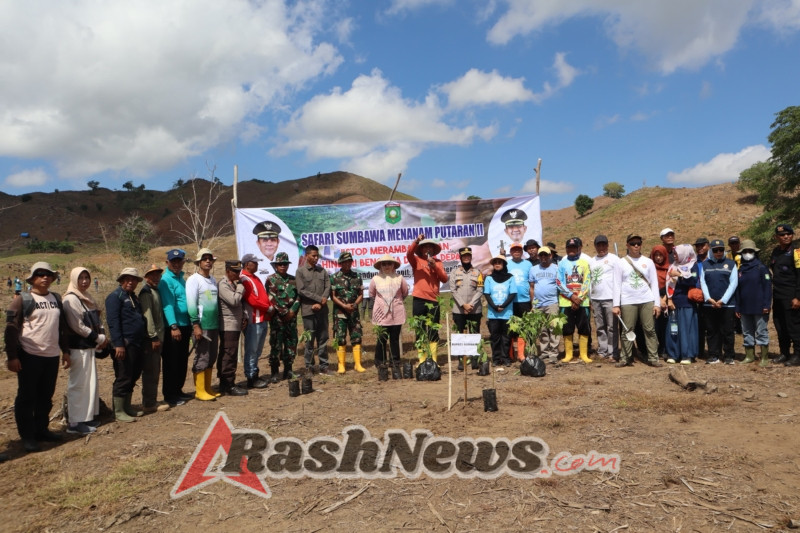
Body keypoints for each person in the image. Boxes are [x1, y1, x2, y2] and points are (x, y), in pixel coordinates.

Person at [4, 262, 70, 452]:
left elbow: (62, 327)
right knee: (26, 397)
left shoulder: (56, 299)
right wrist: (12, 356)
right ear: (32, 278)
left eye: (49, 274)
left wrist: (65, 351)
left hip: (51, 356)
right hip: (29, 355)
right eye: (40, 274)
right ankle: (27, 436)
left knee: (46, 396)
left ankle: (41, 430)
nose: (45, 277)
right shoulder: (22, 299)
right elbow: (11, 330)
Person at [63, 267, 107, 434]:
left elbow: (97, 318)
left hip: (88, 346)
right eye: (80, 278)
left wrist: (101, 335)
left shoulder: (87, 297)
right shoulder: (70, 299)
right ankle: (75, 422)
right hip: (78, 348)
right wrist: (98, 338)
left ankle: (86, 417)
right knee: (79, 384)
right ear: (74, 279)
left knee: (89, 383)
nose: (84, 281)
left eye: (87, 277)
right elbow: (77, 326)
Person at [613, 234, 662, 367]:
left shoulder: (648, 262)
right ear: (627, 245)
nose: (636, 246)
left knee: (649, 329)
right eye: (633, 243)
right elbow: (616, 284)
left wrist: (657, 304)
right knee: (627, 330)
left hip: (647, 299)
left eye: (638, 243)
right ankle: (625, 358)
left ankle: (653, 357)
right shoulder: (621, 262)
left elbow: (654, 284)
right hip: (628, 300)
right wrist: (616, 305)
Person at [105, 268, 147, 423]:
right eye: (128, 279)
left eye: (134, 279)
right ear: (121, 280)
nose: (131, 282)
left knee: (133, 374)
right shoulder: (115, 297)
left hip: (137, 343)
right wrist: (118, 344)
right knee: (123, 376)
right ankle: (118, 411)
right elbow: (113, 323)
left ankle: (127, 406)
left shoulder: (133, 298)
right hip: (124, 344)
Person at [158, 249, 192, 407]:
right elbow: (168, 305)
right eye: (173, 262)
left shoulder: (181, 279)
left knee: (182, 360)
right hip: (174, 326)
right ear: (167, 263)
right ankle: (170, 394)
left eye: (179, 261)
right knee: (171, 361)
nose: (177, 264)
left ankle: (178, 390)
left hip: (185, 324)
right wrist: (173, 325)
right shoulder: (166, 280)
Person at [407, 235, 449, 363]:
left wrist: (434, 266)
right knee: (420, 329)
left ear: (433, 249)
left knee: (433, 330)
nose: (428, 249)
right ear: (421, 249)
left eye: (430, 247)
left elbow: (445, 279)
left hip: (434, 300)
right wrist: (416, 241)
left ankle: (434, 360)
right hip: (419, 299)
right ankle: (422, 360)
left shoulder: (438, 262)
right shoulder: (416, 260)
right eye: (425, 247)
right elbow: (409, 254)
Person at [186, 248, 220, 401]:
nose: (208, 261)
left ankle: (207, 387)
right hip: (201, 325)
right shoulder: (194, 280)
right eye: (204, 259)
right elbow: (191, 304)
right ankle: (199, 391)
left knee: (212, 356)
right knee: (202, 356)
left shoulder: (212, 280)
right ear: (199, 262)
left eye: (210, 259)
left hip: (213, 325)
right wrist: (195, 325)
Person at [701, 239, 738, 364]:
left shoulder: (731, 264)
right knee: (712, 330)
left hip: (727, 304)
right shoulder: (705, 265)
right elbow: (703, 282)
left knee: (727, 330)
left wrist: (723, 300)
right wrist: (709, 298)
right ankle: (713, 354)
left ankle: (729, 355)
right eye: (715, 250)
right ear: (711, 250)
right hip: (709, 304)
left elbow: (733, 283)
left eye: (721, 250)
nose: (718, 252)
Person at [138, 264, 170, 412]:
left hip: (159, 336)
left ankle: (152, 400)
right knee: (151, 371)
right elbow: (148, 316)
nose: (156, 278)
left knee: (156, 369)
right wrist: (153, 337)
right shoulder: (146, 293)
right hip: (152, 338)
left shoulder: (154, 291)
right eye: (152, 276)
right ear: (146, 278)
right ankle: (149, 403)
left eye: (158, 275)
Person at [296, 245, 332, 374]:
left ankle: (324, 366)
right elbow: (301, 290)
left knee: (323, 338)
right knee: (309, 340)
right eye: (313, 255)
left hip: (322, 310)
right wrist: (318, 299)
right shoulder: (300, 272)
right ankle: (309, 366)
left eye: (317, 255)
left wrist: (322, 301)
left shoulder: (322, 271)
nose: (316, 258)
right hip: (308, 311)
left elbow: (328, 286)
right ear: (307, 256)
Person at [736, 239, 772, 366]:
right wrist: (738, 307)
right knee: (747, 332)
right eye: (745, 251)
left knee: (761, 331)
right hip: (745, 307)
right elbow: (738, 290)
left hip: (759, 306)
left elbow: (767, 288)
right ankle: (749, 355)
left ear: (755, 252)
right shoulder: (740, 270)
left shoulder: (761, 268)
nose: (747, 253)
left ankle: (764, 357)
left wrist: (767, 305)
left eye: (750, 251)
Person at [556, 238, 592, 364]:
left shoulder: (584, 263)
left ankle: (583, 354)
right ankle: (569, 354)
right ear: (566, 249)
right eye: (569, 248)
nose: (571, 250)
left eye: (574, 248)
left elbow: (587, 281)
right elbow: (559, 282)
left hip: (583, 302)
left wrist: (579, 298)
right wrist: (571, 296)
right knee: (567, 328)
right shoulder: (561, 264)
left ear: (578, 249)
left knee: (584, 327)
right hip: (566, 301)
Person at [369, 255, 409, 370]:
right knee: (381, 338)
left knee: (394, 338)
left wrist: (394, 302)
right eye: (384, 264)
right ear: (380, 266)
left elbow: (405, 292)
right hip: (381, 314)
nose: (386, 266)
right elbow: (372, 294)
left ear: (393, 266)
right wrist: (383, 304)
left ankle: (395, 362)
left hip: (396, 313)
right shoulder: (375, 279)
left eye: (389, 264)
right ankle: (380, 362)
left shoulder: (400, 278)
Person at [266, 252, 301, 381]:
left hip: (291, 319)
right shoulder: (271, 279)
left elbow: (298, 297)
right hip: (277, 319)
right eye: (280, 264)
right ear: (276, 266)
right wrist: (284, 312)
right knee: (276, 344)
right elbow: (271, 298)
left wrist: (292, 311)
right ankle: (274, 372)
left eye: (285, 264)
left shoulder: (293, 280)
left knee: (291, 344)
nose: (283, 266)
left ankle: (288, 370)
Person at [240, 253, 273, 387]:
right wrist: (268, 307)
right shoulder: (244, 279)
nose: (258, 265)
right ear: (248, 264)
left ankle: (254, 372)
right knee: (252, 349)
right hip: (254, 318)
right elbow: (252, 300)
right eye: (255, 262)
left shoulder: (254, 277)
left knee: (257, 350)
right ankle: (251, 377)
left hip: (261, 317)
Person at [769, 224, 800, 366]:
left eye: (789, 234)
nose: (786, 236)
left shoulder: (797, 251)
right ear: (777, 237)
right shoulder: (775, 251)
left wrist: (797, 297)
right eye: (782, 235)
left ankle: (798, 355)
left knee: (794, 326)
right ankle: (784, 353)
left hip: (791, 295)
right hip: (778, 295)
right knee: (780, 325)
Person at [449, 246, 484, 370]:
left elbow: (480, 290)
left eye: (468, 256)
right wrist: (463, 304)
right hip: (459, 309)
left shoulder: (478, 272)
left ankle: (475, 359)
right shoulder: (454, 272)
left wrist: (471, 305)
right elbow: (453, 291)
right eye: (464, 256)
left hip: (475, 309)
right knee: (460, 334)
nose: (466, 258)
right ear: (460, 257)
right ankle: (461, 360)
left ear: (471, 257)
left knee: (474, 333)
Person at [664, 245, 700, 364]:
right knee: (673, 329)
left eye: (676, 253)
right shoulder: (673, 266)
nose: (674, 256)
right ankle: (673, 354)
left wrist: (680, 275)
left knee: (686, 329)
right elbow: (668, 284)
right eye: (674, 253)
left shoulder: (693, 266)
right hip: (674, 303)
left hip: (687, 303)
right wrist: (669, 299)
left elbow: (693, 280)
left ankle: (687, 355)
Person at [330, 251, 364, 374]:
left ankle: (358, 364)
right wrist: (344, 305)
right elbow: (333, 296)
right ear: (340, 263)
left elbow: (361, 295)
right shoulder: (334, 277)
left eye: (349, 261)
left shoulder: (357, 277)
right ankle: (341, 365)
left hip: (354, 313)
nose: (347, 264)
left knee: (356, 337)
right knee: (340, 338)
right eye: (345, 262)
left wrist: (354, 305)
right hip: (340, 313)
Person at [217, 260, 248, 395]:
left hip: (234, 324)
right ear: (227, 270)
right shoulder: (223, 285)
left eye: (239, 271)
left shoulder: (232, 284)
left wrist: (244, 317)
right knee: (229, 354)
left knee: (231, 353)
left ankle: (226, 383)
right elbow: (234, 301)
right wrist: (241, 287)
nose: (238, 274)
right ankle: (228, 385)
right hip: (228, 325)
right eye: (235, 271)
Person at [529, 246, 561, 363]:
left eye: (545, 255)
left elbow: (560, 286)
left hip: (552, 303)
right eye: (541, 255)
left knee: (554, 328)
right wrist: (533, 303)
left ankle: (553, 352)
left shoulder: (556, 268)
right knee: (542, 329)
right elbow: (532, 288)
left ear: (550, 256)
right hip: (538, 304)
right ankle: (544, 351)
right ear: (538, 256)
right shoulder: (533, 269)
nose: (543, 257)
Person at [590, 235, 619, 361]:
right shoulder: (592, 261)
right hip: (596, 298)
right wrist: (590, 299)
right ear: (595, 246)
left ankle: (613, 352)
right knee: (600, 326)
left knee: (612, 327)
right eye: (599, 245)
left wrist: (618, 301)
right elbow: (590, 280)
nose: (601, 248)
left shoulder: (614, 259)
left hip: (610, 298)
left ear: (607, 245)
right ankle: (603, 350)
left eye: (603, 245)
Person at [484, 255, 517, 367]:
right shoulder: (489, 278)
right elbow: (487, 294)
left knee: (506, 337)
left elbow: (512, 293)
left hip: (507, 313)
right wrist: (494, 307)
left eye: (500, 262)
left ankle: (506, 358)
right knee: (495, 337)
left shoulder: (510, 277)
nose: (497, 264)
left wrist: (503, 306)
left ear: (504, 265)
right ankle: (496, 359)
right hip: (493, 314)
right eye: (495, 263)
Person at [507, 243, 533, 361]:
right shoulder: (506, 263)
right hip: (510, 301)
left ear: (522, 252)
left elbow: (532, 283)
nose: (516, 252)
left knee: (524, 327)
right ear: (511, 252)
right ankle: (511, 353)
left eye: (518, 250)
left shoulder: (528, 264)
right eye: (514, 250)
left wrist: (532, 301)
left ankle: (521, 354)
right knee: (511, 328)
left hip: (525, 300)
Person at [650, 245, 670, 359]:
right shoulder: (650, 268)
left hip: (666, 300)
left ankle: (666, 348)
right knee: (655, 327)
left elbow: (672, 285)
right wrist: (658, 300)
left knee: (666, 326)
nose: (658, 258)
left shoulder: (670, 268)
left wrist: (664, 299)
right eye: (656, 255)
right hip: (654, 301)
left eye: (660, 255)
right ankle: (658, 348)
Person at [694, 237, 710, 358]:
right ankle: (699, 351)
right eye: (697, 246)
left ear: (708, 246)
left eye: (702, 246)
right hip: (697, 296)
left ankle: (713, 350)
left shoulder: (713, 259)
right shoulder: (694, 261)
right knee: (698, 325)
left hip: (711, 297)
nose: (700, 248)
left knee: (711, 325)